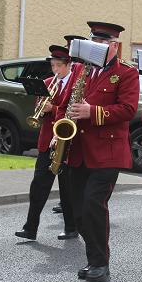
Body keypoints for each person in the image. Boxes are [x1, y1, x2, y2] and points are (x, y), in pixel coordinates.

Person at [59, 21, 139, 282]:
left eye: (103, 43)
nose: (97, 47)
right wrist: (59, 129)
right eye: (94, 42)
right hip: (79, 149)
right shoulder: (80, 68)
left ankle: (99, 262)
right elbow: (66, 103)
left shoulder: (126, 72)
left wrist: (92, 111)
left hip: (108, 150)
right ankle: (94, 256)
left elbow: (128, 109)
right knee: (78, 211)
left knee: (94, 205)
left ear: (114, 45)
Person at [15, 45, 78, 241]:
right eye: (53, 66)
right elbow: (39, 107)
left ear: (68, 65)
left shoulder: (76, 84)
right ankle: (30, 227)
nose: (55, 70)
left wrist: (54, 108)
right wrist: (41, 109)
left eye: (59, 66)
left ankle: (71, 227)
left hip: (66, 141)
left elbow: (71, 110)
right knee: (38, 186)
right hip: (46, 141)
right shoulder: (48, 83)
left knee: (67, 188)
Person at [51, 35, 87, 215]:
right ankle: (70, 214)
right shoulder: (75, 71)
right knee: (67, 179)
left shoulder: (83, 70)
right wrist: (58, 131)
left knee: (78, 187)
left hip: (84, 133)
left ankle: (75, 217)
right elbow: (64, 104)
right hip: (67, 128)